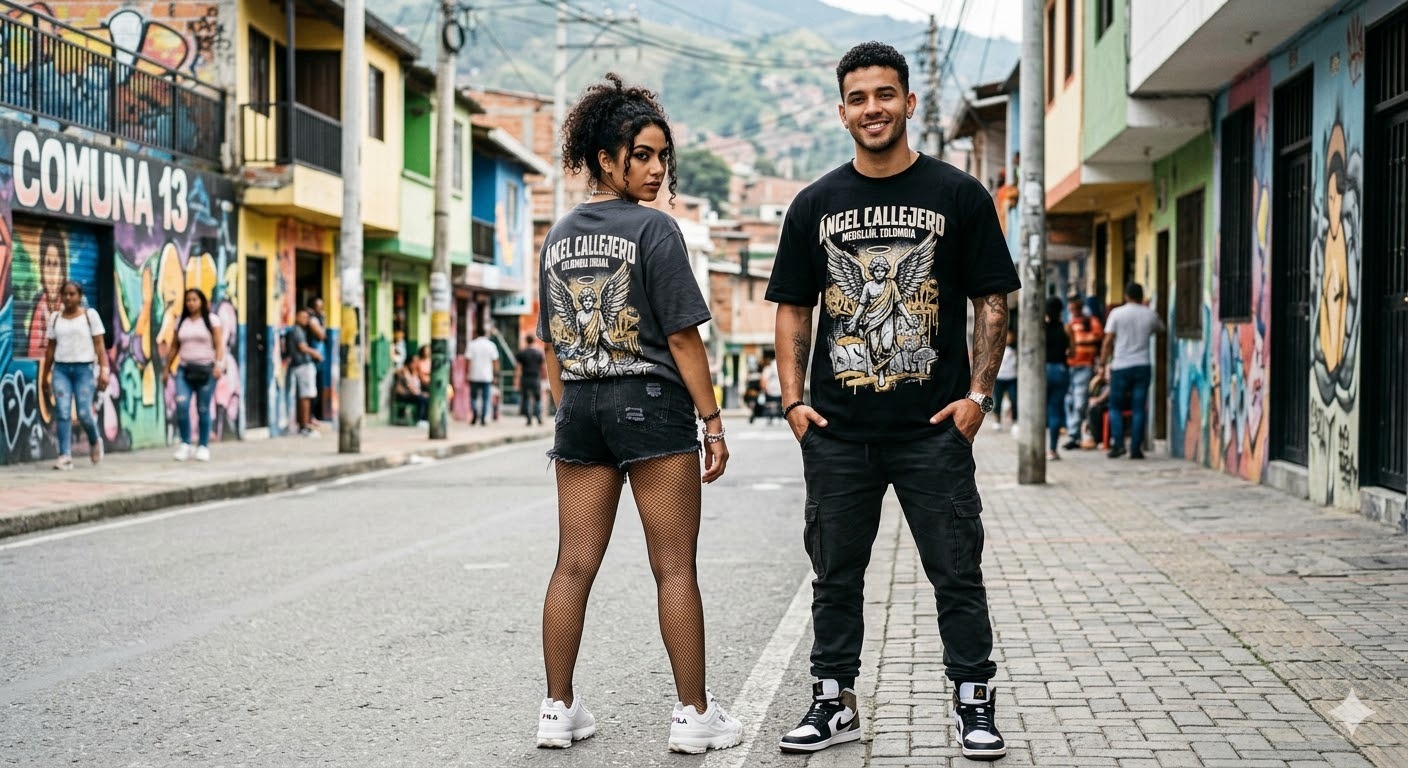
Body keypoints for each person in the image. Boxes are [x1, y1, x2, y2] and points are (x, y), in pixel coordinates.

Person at [766, 42, 1019, 761]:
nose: (871, 108)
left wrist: (977, 394)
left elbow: (992, 300)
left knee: (956, 572)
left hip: (933, 431)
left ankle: (974, 702)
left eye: (885, 94)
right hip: (839, 433)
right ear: (841, 109)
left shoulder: (958, 194)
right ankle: (831, 700)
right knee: (835, 576)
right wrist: (792, 403)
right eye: (857, 97)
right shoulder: (814, 204)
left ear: (909, 103)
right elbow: (792, 307)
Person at [535, 72, 740, 755]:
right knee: (674, 568)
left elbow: (551, 345)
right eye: (643, 156)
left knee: (572, 566)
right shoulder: (656, 230)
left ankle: (557, 709)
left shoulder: (558, 236)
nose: (656, 170)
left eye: (662, 158)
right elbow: (683, 337)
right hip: (652, 407)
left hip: (583, 407)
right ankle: (693, 715)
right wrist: (711, 421)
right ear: (605, 160)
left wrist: (574, 410)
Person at [40, 280, 107, 470]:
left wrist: (104, 370)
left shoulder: (89, 316)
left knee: (85, 413)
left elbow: (100, 346)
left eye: (72, 294)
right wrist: (45, 376)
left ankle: (94, 440)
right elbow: (50, 349)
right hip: (61, 370)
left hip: (83, 371)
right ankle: (65, 455)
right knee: (62, 411)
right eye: (65, 294)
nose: (68, 298)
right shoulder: (55, 318)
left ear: (80, 296)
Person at [1101, 282, 1165, 459]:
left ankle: (1119, 444)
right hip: (1142, 365)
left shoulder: (1117, 314)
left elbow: (1107, 341)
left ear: (1126, 295)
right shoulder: (1150, 314)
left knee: (1115, 407)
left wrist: (1102, 363)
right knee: (1139, 408)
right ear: (1141, 296)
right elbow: (1161, 330)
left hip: (1121, 366)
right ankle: (1136, 448)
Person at [159, 288, 225, 461]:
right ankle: (185, 444)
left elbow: (219, 345)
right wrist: (166, 369)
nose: (191, 303)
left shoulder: (211, 320)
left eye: (194, 299)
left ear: (201, 301)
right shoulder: (181, 321)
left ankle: (203, 446)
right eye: (188, 300)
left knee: (203, 408)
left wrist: (218, 365)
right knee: (182, 405)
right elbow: (174, 346)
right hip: (184, 369)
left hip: (206, 370)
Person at [1062, 295, 1103, 450]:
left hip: (1085, 366)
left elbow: (1098, 340)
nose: (1072, 311)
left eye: (1074, 308)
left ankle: (1074, 434)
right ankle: (1076, 433)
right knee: (1071, 401)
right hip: (1071, 367)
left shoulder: (1091, 322)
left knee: (1080, 402)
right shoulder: (1070, 323)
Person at [286, 308, 323, 437]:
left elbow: (321, 336)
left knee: (306, 396)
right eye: (303, 317)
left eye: (307, 318)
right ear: (296, 316)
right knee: (305, 396)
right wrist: (315, 353)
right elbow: (302, 347)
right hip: (302, 366)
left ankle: (305, 424)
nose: (305, 320)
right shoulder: (297, 330)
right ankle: (304, 426)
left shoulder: (303, 330)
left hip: (302, 366)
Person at [1044, 296, 1072, 461]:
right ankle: (1052, 450)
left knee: (1041, 411)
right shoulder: (1066, 328)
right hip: (1061, 370)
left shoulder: (1040, 328)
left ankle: (1039, 447)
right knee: (1056, 411)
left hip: (1043, 371)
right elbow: (1073, 352)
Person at [465, 330, 499, 425]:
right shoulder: (491, 345)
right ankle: (483, 417)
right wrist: (496, 375)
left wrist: (466, 373)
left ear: (476, 334)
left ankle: (475, 412)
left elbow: (468, 361)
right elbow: (495, 361)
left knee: (473, 397)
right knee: (485, 398)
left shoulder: (472, 345)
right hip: (487, 376)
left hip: (474, 375)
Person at [306, 298, 329, 423]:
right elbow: (321, 335)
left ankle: (315, 415)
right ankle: (311, 416)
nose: (319, 309)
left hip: (319, 358)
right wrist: (323, 323)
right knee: (312, 389)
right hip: (313, 359)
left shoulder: (318, 319)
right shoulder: (313, 320)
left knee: (318, 388)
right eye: (317, 306)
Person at [515, 334, 546, 426]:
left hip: (525, 377)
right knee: (537, 398)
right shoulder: (538, 353)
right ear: (534, 341)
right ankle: (538, 416)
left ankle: (528, 418)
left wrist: (516, 379)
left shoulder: (522, 353)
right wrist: (544, 377)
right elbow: (542, 367)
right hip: (536, 377)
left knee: (526, 398)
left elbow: (519, 368)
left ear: (526, 341)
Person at [992, 330, 1017, 432]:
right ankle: (997, 421)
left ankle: (1015, 421)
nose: (1008, 338)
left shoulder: (1015, 349)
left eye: (1010, 336)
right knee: (997, 401)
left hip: (1011, 378)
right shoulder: (996, 348)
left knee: (1014, 400)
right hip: (999, 378)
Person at [392, 359, 429, 426]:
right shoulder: (403, 372)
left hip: (413, 394)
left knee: (426, 398)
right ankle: (420, 419)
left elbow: (416, 387)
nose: (415, 365)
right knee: (421, 399)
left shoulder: (414, 373)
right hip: (404, 395)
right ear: (409, 363)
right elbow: (408, 386)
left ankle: (424, 419)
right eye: (413, 363)